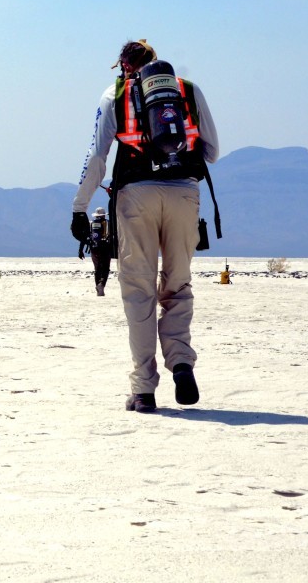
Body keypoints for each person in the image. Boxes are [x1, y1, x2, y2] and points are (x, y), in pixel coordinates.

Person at [71, 39, 219, 413]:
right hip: (184, 195)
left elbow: (98, 157)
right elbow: (212, 152)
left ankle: (143, 390)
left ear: (122, 65)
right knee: (178, 286)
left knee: (139, 293)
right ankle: (181, 363)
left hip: (136, 197)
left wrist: (80, 207)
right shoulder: (187, 90)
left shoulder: (114, 95)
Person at [87, 206, 112, 297]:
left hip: (94, 248)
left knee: (97, 269)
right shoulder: (108, 223)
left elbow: (88, 236)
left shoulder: (91, 223)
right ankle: (101, 284)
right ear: (104, 215)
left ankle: (98, 286)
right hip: (105, 247)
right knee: (105, 268)